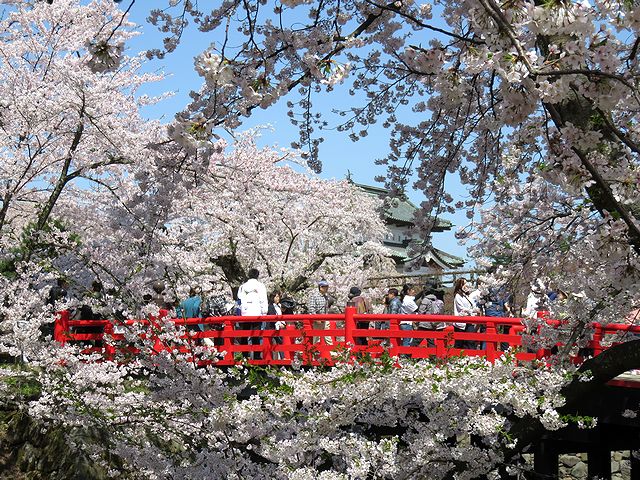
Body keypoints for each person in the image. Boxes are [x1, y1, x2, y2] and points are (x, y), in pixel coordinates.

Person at [237, 268, 268, 359]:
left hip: (245, 313)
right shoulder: (260, 286)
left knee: (245, 335)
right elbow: (263, 300)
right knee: (256, 335)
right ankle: (257, 356)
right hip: (257, 313)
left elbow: (239, 298)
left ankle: (244, 356)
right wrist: (264, 312)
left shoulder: (243, 286)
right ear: (257, 275)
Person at [453, 278, 480, 349]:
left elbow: (471, 305)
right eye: (464, 284)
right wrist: (472, 311)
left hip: (469, 320)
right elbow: (462, 308)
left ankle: (472, 357)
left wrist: (475, 310)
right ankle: (456, 357)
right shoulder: (458, 296)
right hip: (460, 322)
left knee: (470, 341)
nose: (466, 286)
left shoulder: (467, 296)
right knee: (459, 343)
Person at [308, 279, 335, 344]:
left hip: (325, 318)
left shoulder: (326, 296)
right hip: (318, 318)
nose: (327, 289)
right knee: (317, 336)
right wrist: (316, 318)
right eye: (325, 287)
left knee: (327, 334)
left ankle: (331, 350)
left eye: (327, 287)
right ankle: (315, 350)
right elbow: (311, 308)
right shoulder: (314, 296)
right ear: (320, 287)